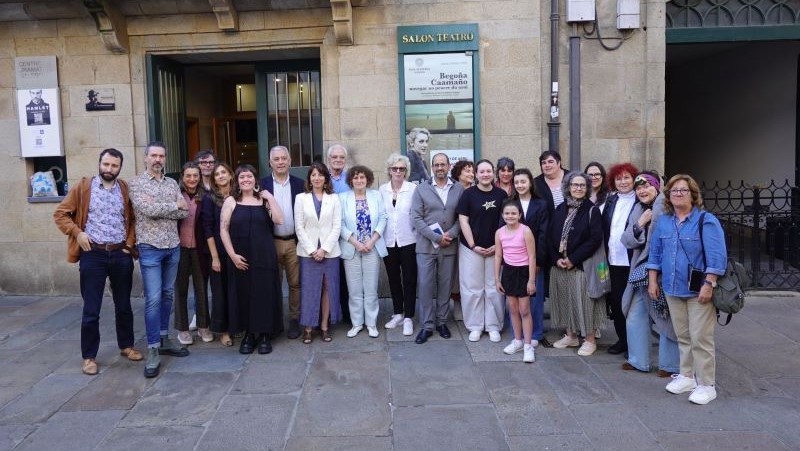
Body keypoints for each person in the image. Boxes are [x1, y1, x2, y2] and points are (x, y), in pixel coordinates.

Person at [53, 148, 142, 376]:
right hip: (93, 253)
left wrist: (129, 244)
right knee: (91, 308)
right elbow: (61, 213)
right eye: (106, 164)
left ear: (120, 167)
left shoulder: (124, 188)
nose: (109, 169)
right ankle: (89, 357)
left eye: (114, 165)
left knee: (124, 305)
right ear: (99, 163)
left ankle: (126, 346)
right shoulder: (84, 187)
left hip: (120, 252)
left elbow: (132, 219)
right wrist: (78, 233)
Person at [647, 174, 727, 405]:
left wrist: (709, 283)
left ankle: (706, 385)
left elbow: (716, 257)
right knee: (682, 335)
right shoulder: (664, 222)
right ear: (668, 196)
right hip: (672, 288)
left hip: (698, 290)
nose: (678, 194)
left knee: (701, 337)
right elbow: (655, 254)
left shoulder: (706, 220)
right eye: (673, 191)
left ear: (693, 195)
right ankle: (687, 376)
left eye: (683, 190)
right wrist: (653, 281)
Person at [129, 141, 190, 378]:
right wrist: (172, 205)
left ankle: (164, 339)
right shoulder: (136, 183)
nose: (157, 159)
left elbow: (184, 211)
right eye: (153, 155)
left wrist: (165, 206)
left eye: (161, 156)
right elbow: (146, 210)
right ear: (145, 158)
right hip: (150, 248)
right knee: (153, 299)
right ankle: (153, 347)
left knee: (167, 295)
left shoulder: (173, 183)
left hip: (172, 246)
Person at [220, 165, 284, 355]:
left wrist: (270, 196)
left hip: (264, 255)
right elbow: (223, 229)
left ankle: (264, 334)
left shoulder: (264, 200)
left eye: (249, 176)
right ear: (237, 181)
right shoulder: (231, 201)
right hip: (240, 256)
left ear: (255, 180)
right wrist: (232, 255)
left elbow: (279, 220)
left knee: (264, 294)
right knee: (244, 294)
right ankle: (249, 335)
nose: (246, 180)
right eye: (242, 177)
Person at [621, 172, 679, 377]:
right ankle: (638, 360)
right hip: (640, 272)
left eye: (646, 186)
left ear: (657, 187)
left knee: (666, 316)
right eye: (638, 188)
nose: (642, 191)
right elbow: (626, 239)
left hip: (664, 273)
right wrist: (640, 224)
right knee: (635, 314)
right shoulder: (638, 209)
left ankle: (670, 365)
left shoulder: (667, 206)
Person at [410, 153, 465, 344]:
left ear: (449, 166)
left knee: (445, 286)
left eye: (443, 164)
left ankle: (442, 322)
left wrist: (450, 234)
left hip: (449, 246)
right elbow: (416, 218)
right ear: (432, 167)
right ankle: (426, 325)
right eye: (436, 164)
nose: (440, 167)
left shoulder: (459, 189)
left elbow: (462, 217)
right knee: (425, 286)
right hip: (426, 247)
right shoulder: (421, 189)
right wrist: (436, 237)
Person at [548, 172, 604, 356]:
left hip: (581, 265)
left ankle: (589, 339)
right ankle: (571, 335)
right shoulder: (560, 209)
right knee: (565, 300)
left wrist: (573, 259)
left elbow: (594, 239)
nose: (578, 188)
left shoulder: (591, 210)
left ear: (587, 188)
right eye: (575, 185)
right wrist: (556, 258)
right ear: (568, 187)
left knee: (585, 303)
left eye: (582, 185)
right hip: (560, 264)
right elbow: (549, 235)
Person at [457, 159, 508, 342]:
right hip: (471, 249)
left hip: (496, 248)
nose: (485, 174)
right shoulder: (468, 194)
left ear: (493, 173)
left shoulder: (502, 194)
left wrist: (499, 245)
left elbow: (507, 222)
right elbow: (463, 220)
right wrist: (472, 245)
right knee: (472, 288)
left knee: (495, 288)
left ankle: (494, 325)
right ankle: (475, 325)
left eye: (488, 171)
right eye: (482, 171)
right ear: (476, 174)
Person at [295, 162, 343, 343]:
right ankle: (308, 327)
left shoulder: (334, 198)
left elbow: (337, 226)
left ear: (325, 178)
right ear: (309, 178)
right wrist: (312, 250)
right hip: (308, 253)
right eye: (313, 175)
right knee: (309, 289)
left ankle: (324, 325)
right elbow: (299, 226)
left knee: (327, 288)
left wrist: (324, 249)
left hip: (330, 252)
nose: (317, 178)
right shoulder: (301, 198)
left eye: (320, 175)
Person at [261, 145, 305, 339]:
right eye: (276, 159)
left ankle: (294, 320)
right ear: (270, 162)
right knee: (273, 283)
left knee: (295, 284)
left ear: (289, 161)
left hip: (294, 242)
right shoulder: (261, 186)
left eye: (283, 158)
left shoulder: (300, 184)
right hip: (271, 242)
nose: (280, 162)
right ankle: (275, 321)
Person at [339, 165, 387, 338]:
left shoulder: (375, 196)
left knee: (371, 288)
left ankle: (371, 323)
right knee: (354, 289)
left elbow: (383, 217)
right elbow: (340, 223)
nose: (359, 180)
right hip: (351, 248)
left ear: (368, 179)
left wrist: (372, 240)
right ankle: (357, 323)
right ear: (350, 180)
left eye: (362, 177)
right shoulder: (342, 198)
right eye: (356, 177)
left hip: (372, 247)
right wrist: (355, 242)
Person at [602, 162, 640, 355]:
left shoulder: (640, 201)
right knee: (616, 302)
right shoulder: (611, 200)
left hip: (631, 261)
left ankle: (635, 342)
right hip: (613, 261)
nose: (623, 182)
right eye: (619, 178)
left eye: (627, 177)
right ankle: (622, 339)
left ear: (634, 179)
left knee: (632, 304)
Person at [510, 168, 549, 347]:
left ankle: (536, 333)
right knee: (515, 300)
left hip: (534, 260)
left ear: (530, 183)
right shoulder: (509, 203)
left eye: (523, 182)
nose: (520, 185)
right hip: (513, 261)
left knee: (535, 297)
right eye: (516, 182)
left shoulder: (540, 204)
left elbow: (543, 233)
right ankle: (517, 334)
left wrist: (539, 260)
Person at [174, 162, 212, 345]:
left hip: (199, 249)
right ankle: (182, 329)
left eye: (195, 175)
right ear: (182, 176)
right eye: (188, 175)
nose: (192, 179)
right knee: (180, 288)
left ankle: (203, 325)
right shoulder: (175, 195)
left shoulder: (205, 196)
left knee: (201, 288)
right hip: (179, 248)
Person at [379, 153, 418, 336]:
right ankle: (397, 313)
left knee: (409, 279)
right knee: (393, 278)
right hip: (388, 241)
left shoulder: (413, 189)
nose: (398, 171)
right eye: (394, 168)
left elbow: (418, 214)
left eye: (401, 168)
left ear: (406, 171)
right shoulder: (382, 190)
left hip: (409, 240)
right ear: (389, 170)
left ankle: (409, 316)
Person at [495, 199, 537, 363]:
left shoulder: (525, 231)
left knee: (524, 310)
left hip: (524, 272)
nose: (510, 216)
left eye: (513, 213)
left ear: (520, 215)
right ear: (502, 215)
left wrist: (531, 280)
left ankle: (528, 345)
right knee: (512, 309)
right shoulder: (499, 232)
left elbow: (532, 256)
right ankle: (518, 340)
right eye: (507, 213)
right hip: (509, 272)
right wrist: (497, 278)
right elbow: (498, 256)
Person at [201, 162, 234, 347]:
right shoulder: (209, 199)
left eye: (224, 172)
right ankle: (224, 331)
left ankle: (237, 324)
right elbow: (207, 228)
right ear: (213, 179)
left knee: (235, 290)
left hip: (238, 251)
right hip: (218, 252)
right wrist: (214, 257)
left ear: (230, 175)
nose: (221, 176)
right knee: (220, 292)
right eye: (217, 174)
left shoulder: (239, 195)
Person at [191, 149, 217, 332]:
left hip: (217, 238)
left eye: (210, 162)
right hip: (198, 240)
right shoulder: (192, 185)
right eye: (203, 162)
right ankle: (199, 316)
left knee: (217, 281)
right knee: (200, 282)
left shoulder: (219, 184)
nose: (207, 165)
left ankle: (217, 315)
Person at [327, 143, 351, 323]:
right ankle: (327, 314)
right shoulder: (321, 178)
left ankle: (347, 313)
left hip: (348, 234)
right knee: (329, 277)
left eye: (341, 157)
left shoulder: (351, 178)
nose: (338, 160)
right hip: (326, 234)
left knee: (346, 275)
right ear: (329, 159)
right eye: (334, 157)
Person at [533, 150, 568, 215]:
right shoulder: (535, 183)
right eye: (544, 163)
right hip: (547, 223)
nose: (547, 165)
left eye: (550, 162)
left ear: (559, 163)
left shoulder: (572, 178)